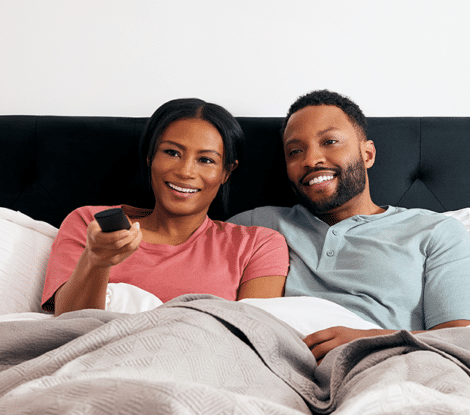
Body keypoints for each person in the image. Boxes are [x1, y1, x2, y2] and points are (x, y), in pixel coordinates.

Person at [229, 90, 470, 362]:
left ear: (367, 154)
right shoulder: (258, 225)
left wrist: (368, 340)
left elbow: (468, 340)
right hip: (280, 368)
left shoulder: (434, 232)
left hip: (388, 366)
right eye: (295, 151)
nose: (311, 159)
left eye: (330, 141)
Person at [41, 98, 289, 316]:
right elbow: (68, 322)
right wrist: (96, 261)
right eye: (172, 152)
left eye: (206, 160)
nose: (185, 171)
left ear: (226, 171)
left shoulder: (258, 245)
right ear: (150, 157)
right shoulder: (91, 224)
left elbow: (255, 334)